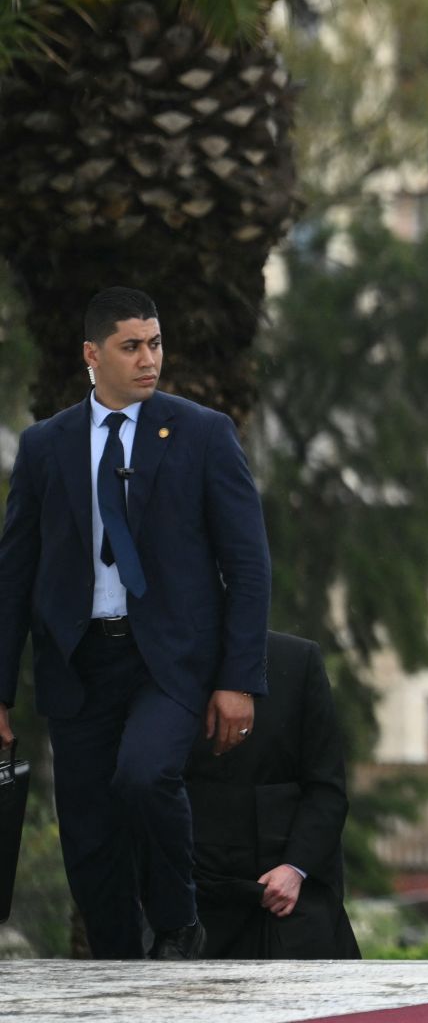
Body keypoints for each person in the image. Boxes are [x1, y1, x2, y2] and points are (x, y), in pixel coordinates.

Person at [0, 286, 271, 959]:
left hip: (168, 662)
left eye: (154, 344)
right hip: (78, 660)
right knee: (89, 835)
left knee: (144, 775)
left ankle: (178, 922)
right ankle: (117, 969)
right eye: (131, 346)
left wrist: (238, 679)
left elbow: (249, 564)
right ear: (93, 355)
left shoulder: (203, 434)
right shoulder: (44, 447)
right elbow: (13, 573)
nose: (148, 359)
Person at [185, 631, 358, 959]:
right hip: (192, 902)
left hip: (286, 896)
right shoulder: (162, 661)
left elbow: (326, 787)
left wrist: (295, 869)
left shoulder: (297, 660)